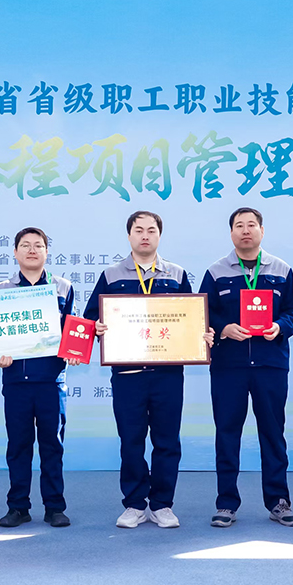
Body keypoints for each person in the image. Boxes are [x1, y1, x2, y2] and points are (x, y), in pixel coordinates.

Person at [83, 211, 212, 529]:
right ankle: (135, 504)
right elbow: (89, 319)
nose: (145, 235)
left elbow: (191, 319)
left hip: (168, 375)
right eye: (138, 230)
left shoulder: (176, 274)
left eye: (151, 230)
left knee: (167, 440)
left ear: (159, 235)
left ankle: (162, 505)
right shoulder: (112, 275)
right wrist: (97, 327)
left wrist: (203, 335)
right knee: (131, 440)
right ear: (129, 236)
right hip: (128, 375)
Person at [199, 207, 293, 528]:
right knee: (227, 434)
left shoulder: (281, 270)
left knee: (273, 434)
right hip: (228, 366)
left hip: (270, 365)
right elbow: (202, 314)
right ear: (231, 233)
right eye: (239, 226)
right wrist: (224, 328)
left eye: (251, 225)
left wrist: (279, 326)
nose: (245, 230)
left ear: (262, 230)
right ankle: (226, 503)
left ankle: (278, 501)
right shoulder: (216, 272)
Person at [0, 227, 75, 528]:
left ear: (46, 252)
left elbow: (71, 327)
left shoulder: (62, 287)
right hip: (16, 381)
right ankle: (18, 507)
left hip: (51, 382)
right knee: (18, 446)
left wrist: (74, 350)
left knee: (52, 446)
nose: (32, 250)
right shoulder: (2, 290)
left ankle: (55, 507)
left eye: (38, 245)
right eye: (25, 245)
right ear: (15, 252)